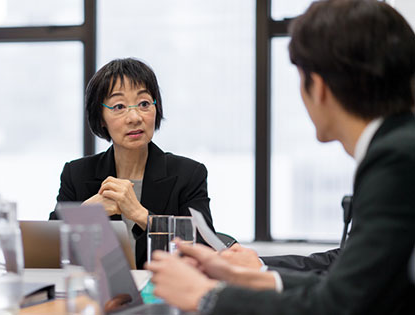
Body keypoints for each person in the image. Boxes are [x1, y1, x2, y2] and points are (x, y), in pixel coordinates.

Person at [146, 0, 415, 313]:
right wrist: (246, 276)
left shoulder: (394, 158)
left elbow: (340, 304)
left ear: (319, 86)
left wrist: (206, 295)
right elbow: (354, 282)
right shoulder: (400, 144)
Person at [49, 58, 215, 269]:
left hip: (165, 293)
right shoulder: (77, 174)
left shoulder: (189, 174)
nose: (134, 117)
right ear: (101, 118)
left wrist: (140, 214)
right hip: (99, 295)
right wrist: (85, 214)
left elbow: (206, 251)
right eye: (119, 106)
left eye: (144, 103)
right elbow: (49, 252)